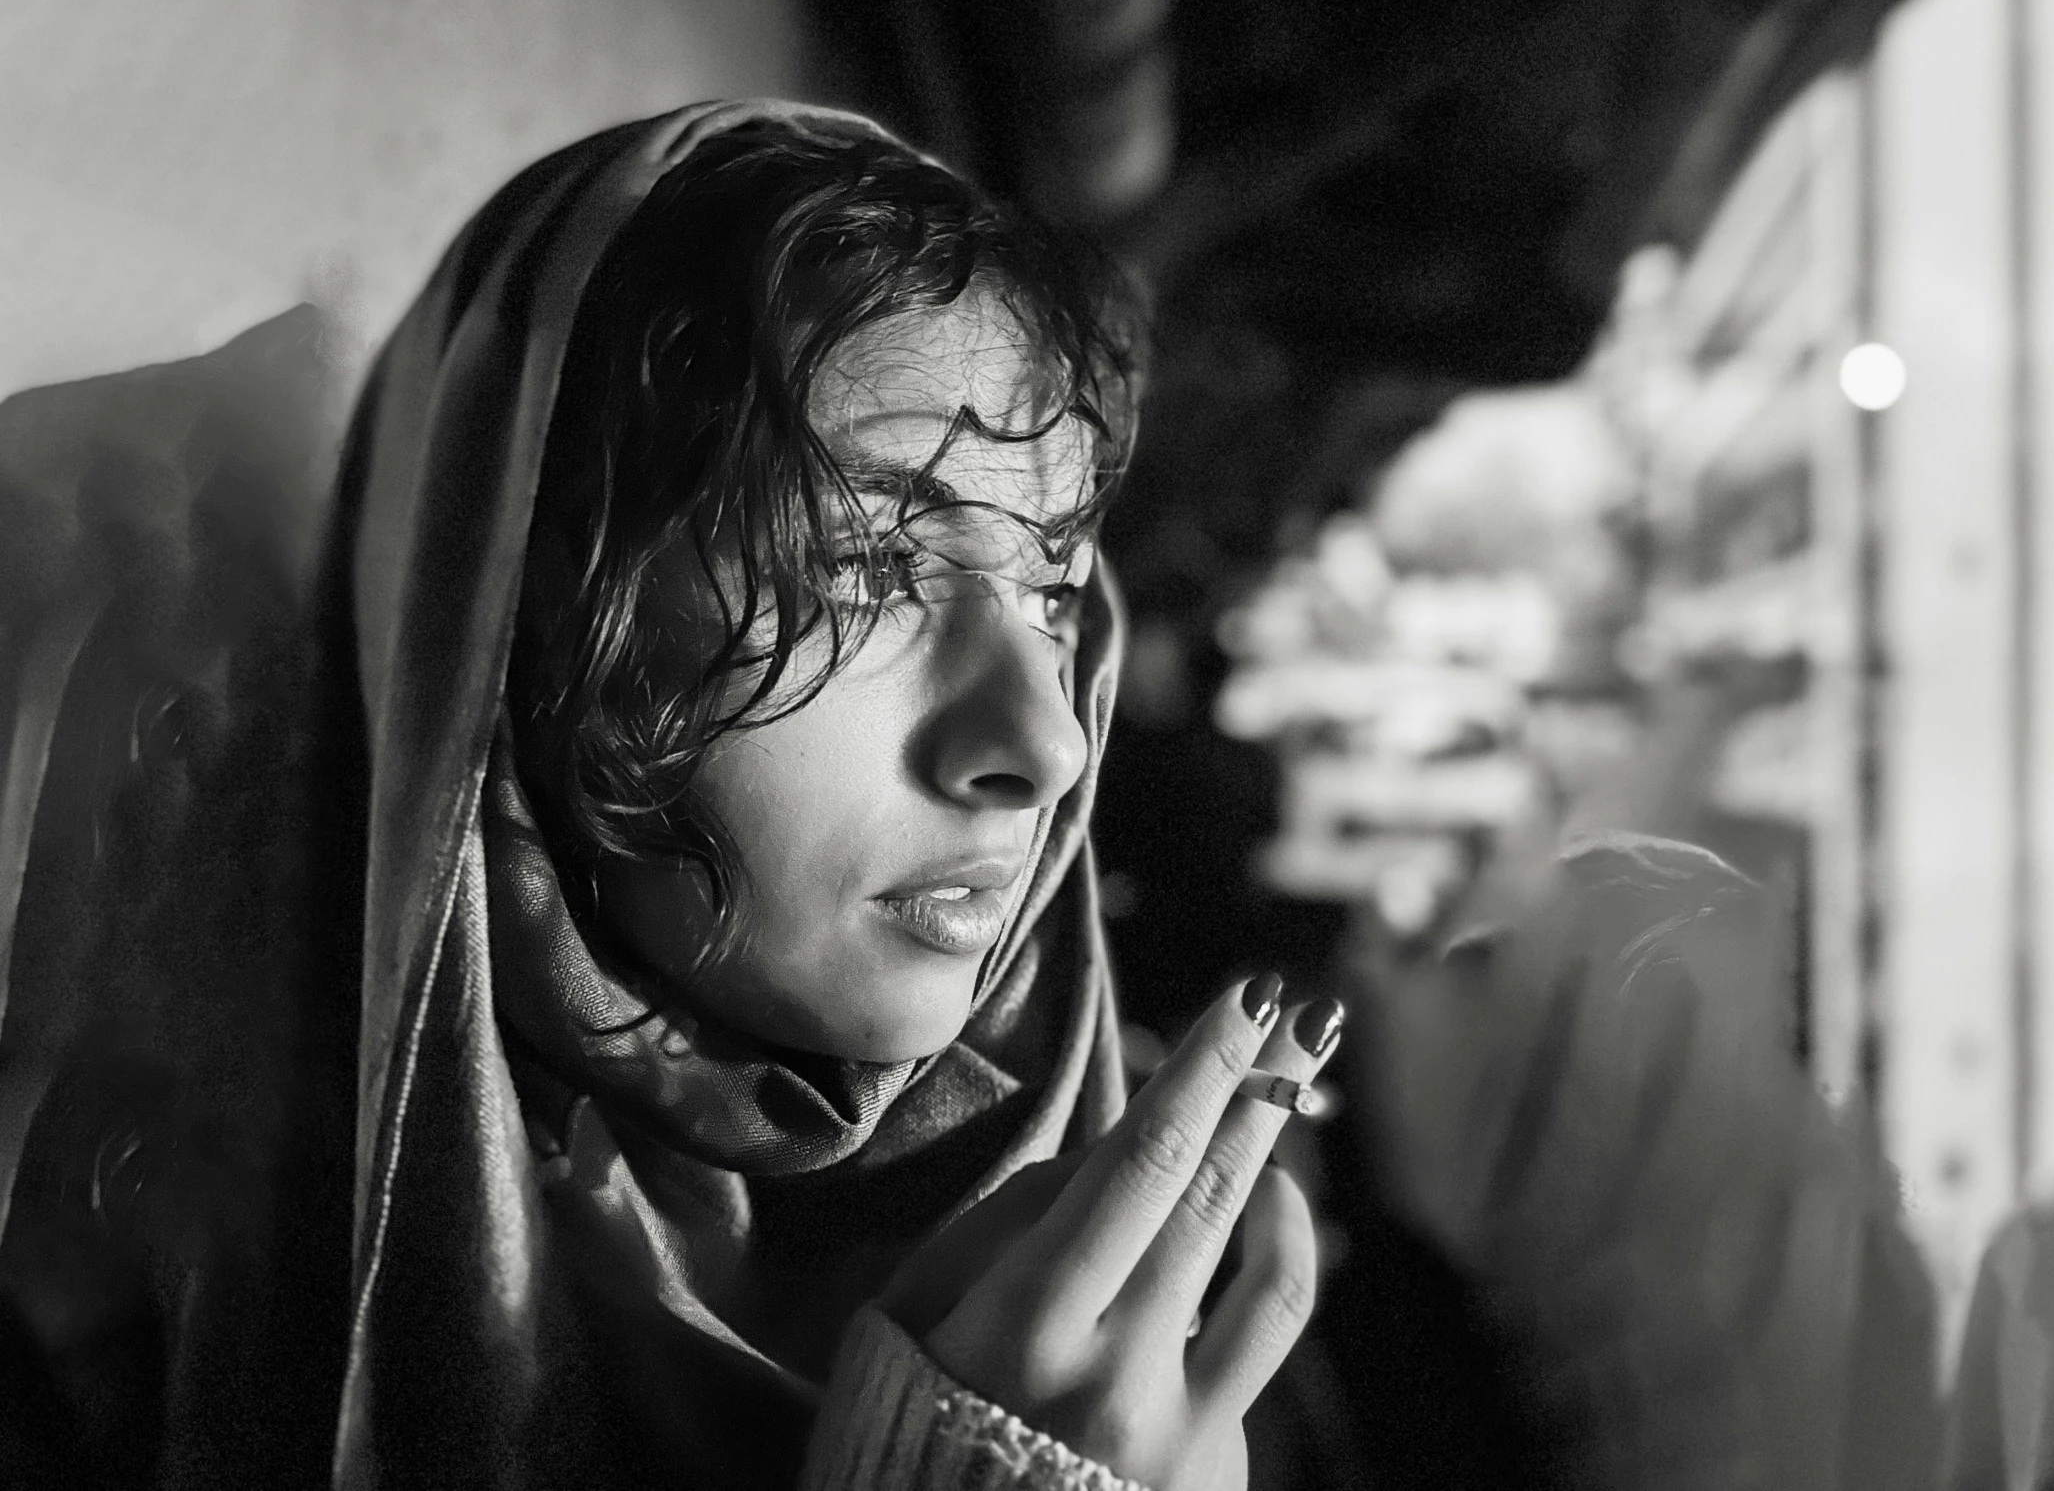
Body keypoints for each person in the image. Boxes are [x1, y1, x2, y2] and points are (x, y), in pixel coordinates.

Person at [0, 102, 1345, 1489]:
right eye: (868, 568)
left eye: (1053, 589)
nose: (1046, 744)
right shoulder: (122, 1239)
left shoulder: (1127, 1313)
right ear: (512, 616)